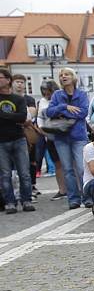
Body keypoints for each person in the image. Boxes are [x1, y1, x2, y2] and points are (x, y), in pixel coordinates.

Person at [46, 67, 90, 209]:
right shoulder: (57, 95)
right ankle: (73, 199)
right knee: (68, 170)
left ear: (73, 77)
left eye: (66, 74)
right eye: (61, 75)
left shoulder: (82, 94)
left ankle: (87, 196)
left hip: (78, 136)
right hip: (61, 136)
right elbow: (49, 111)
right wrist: (65, 106)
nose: (63, 77)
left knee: (82, 168)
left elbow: (83, 113)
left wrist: (64, 114)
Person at [0, 68, 35, 213]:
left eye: (1, 77)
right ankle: (10, 202)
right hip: (1, 141)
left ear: (8, 80)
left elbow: (22, 117)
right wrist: (13, 118)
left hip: (18, 138)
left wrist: (3, 116)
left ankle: (26, 200)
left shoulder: (19, 99)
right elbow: (18, 117)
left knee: (24, 172)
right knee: (5, 174)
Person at [36, 80, 68, 199]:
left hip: (62, 135)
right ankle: (62, 189)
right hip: (49, 136)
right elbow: (39, 117)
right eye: (44, 91)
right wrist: (41, 129)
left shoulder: (60, 99)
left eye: (48, 91)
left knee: (69, 164)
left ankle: (74, 188)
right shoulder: (42, 102)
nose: (46, 93)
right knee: (57, 164)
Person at [11, 74, 40, 199]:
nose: (19, 84)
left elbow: (30, 115)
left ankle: (31, 186)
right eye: (17, 82)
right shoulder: (9, 98)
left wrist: (15, 116)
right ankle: (16, 190)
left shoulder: (29, 99)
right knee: (12, 165)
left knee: (30, 162)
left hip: (27, 134)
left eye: (22, 82)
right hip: (11, 133)